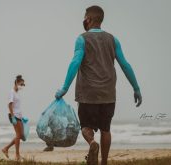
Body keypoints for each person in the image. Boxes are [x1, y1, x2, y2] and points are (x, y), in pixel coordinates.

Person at [55, 6, 142, 165]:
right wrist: (136, 88)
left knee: (86, 127)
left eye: (84, 17)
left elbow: (75, 62)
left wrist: (65, 88)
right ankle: (104, 162)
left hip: (88, 94)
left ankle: (92, 143)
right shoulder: (112, 39)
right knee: (106, 129)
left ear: (88, 19)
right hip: (108, 94)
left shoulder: (82, 39)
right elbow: (125, 64)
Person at [2, 75, 26, 161]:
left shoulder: (17, 93)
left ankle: (6, 148)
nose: (22, 86)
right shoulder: (11, 92)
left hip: (19, 116)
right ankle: (17, 155)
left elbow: (17, 106)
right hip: (14, 116)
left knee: (21, 135)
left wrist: (22, 117)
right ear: (16, 83)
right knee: (18, 135)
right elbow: (10, 104)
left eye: (23, 85)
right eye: (21, 84)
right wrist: (13, 116)